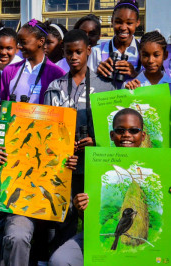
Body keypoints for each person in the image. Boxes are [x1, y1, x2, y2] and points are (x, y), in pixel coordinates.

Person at [0, 98, 77, 266]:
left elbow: (45, 155)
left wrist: (66, 162)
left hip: (17, 211)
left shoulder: (15, 141)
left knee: (17, 237)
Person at [44, 29, 116, 254]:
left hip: (96, 166)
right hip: (63, 166)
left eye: (78, 52)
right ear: (63, 53)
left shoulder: (106, 86)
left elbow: (115, 130)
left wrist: (96, 142)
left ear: (89, 51)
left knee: (93, 215)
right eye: (68, 52)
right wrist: (62, 148)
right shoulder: (54, 87)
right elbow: (46, 131)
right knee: (62, 219)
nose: (73, 57)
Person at [49, 108, 145, 266]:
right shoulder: (99, 164)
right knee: (60, 260)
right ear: (112, 135)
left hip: (146, 250)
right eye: (120, 130)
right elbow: (91, 218)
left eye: (134, 130)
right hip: (96, 237)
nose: (127, 135)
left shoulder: (161, 165)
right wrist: (81, 208)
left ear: (143, 135)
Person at [0, 19, 66, 104]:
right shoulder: (9, 71)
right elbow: (3, 103)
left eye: (23, 42)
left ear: (41, 41)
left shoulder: (57, 74)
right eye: (18, 43)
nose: (19, 47)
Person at [89, 0, 141, 83]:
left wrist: (135, 74)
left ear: (137, 22)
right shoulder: (96, 52)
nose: (123, 27)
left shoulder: (144, 52)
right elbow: (85, 84)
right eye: (118, 22)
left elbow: (154, 82)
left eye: (129, 23)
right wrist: (96, 74)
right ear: (112, 21)